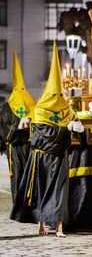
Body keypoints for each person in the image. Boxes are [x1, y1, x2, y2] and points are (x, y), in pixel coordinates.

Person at [10, 42, 85, 238]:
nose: (58, 98)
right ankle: (41, 224)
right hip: (40, 158)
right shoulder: (40, 111)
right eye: (54, 94)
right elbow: (44, 134)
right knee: (40, 190)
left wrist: (80, 129)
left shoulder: (67, 110)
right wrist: (65, 128)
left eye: (60, 94)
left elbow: (79, 133)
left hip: (60, 158)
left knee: (59, 192)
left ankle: (59, 226)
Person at [0, 51, 36, 203]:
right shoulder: (7, 107)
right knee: (17, 173)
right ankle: (18, 205)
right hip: (14, 147)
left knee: (30, 175)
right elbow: (3, 128)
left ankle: (30, 203)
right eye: (17, 90)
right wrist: (17, 126)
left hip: (29, 146)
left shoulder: (32, 104)